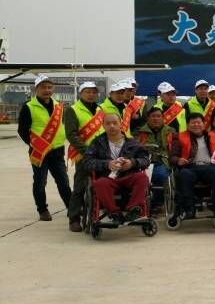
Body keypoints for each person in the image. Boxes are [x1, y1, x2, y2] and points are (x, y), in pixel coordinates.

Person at [18, 75, 71, 221]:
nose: (47, 90)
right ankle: (42, 210)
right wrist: (36, 144)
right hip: (39, 151)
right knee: (40, 182)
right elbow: (22, 130)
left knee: (63, 181)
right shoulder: (28, 106)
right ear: (36, 89)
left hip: (57, 151)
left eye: (49, 87)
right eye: (43, 87)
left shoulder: (58, 106)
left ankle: (71, 208)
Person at [80, 112, 150, 224]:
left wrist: (132, 163)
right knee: (99, 183)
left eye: (114, 123)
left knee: (142, 178)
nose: (111, 126)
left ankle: (133, 210)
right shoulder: (97, 143)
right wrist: (107, 164)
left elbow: (145, 160)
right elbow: (87, 162)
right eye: (108, 123)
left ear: (120, 124)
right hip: (108, 177)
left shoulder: (132, 143)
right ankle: (114, 213)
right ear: (103, 126)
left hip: (128, 176)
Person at [168, 113, 215, 227]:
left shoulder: (212, 136)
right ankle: (188, 208)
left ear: (204, 124)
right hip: (190, 167)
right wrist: (178, 160)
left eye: (198, 122)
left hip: (209, 167)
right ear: (187, 125)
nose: (196, 125)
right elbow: (172, 156)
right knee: (184, 175)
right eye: (193, 123)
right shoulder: (179, 137)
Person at [65, 81, 105, 231]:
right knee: (80, 187)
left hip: (101, 154)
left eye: (94, 92)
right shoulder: (73, 110)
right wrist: (87, 151)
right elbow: (71, 134)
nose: (91, 94)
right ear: (80, 93)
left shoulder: (99, 109)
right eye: (88, 91)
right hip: (83, 155)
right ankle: (74, 218)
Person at [136, 106, 176, 211]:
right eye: (153, 116)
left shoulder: (171, 131)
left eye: (158, 116)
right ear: (148, 118)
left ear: (163, 118)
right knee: (139, 177)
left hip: (162, 161)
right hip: (144, 161)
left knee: (161, 175)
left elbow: (175, 148)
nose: (156, 119)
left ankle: (158, 203)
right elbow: (134, 148)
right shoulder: (139, 132)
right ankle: (139, 204)